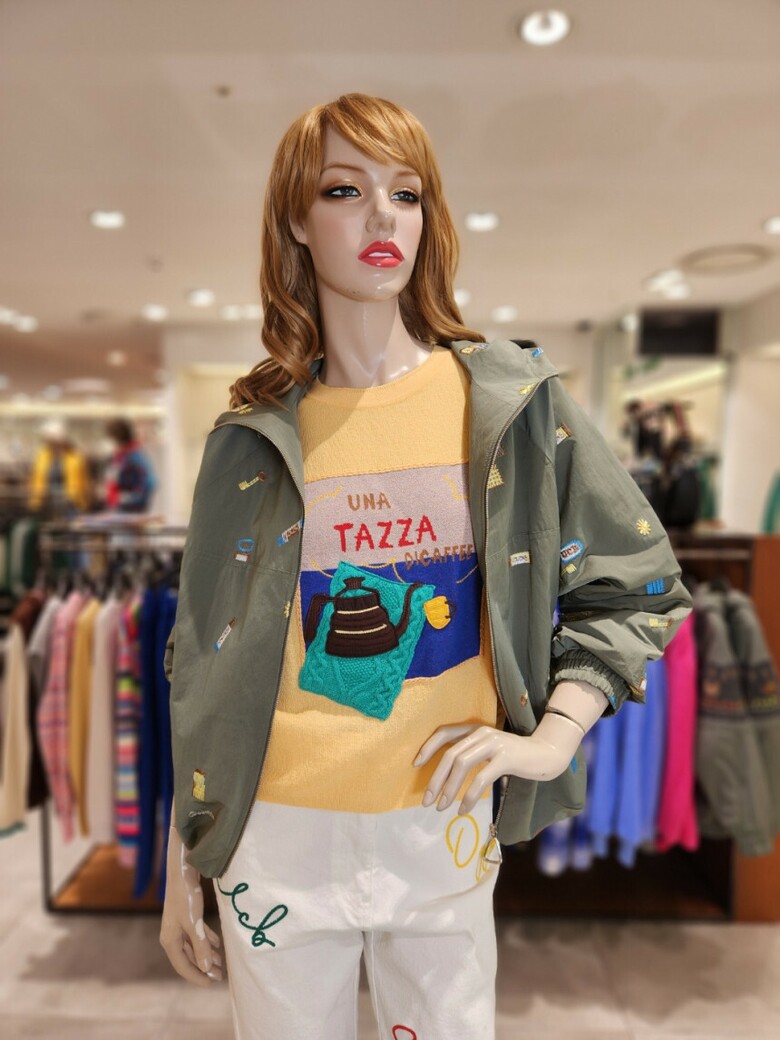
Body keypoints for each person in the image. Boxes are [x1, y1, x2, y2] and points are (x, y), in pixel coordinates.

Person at [160, 94, 691, 1039]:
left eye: (405, 194)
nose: (381, 217)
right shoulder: (250, 437)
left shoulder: (510, 403)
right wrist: (184, 857)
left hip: (440, 818)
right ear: (296, 220)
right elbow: (203, 655)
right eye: (343, 190)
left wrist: (553, 737)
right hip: (273, 831)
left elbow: (634, 584)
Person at [28, 418, 90, 518]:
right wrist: (35, 500)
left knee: (71, 525)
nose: (48, 442)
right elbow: (36, 478)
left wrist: (82, 501)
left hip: (71, 504)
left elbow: (84, 481)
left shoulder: (75, 456)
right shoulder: (42, 456)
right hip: (46, 503)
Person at [104, 418, 157, 512]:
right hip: (119, 509)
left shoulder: (135, 455)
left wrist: (130, 498)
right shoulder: (120, 457)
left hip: (132, 511)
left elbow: (150, 482)